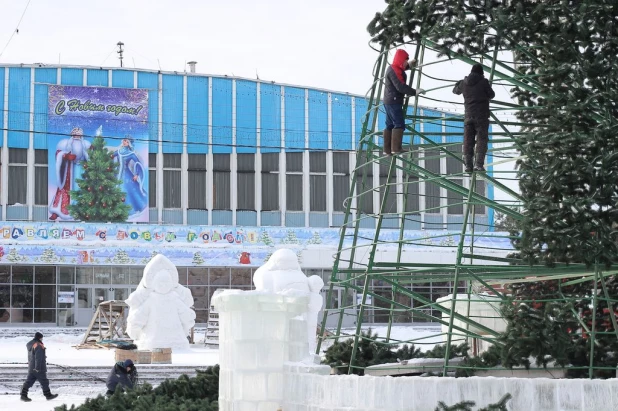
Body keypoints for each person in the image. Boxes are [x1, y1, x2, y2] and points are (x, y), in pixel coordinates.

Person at [453, 63, 496, 172]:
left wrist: (458, 83)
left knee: (468, 140)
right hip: (481, 116)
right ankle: (478, 164)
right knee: (481, 140)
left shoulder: (464, 83)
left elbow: (455, 91)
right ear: (481, 73)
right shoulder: (484, 82)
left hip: (468, 117)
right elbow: (491, 95)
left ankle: (468, 165)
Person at [382, 49, 424, 156]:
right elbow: (400, 86)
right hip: (394, 101)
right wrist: (414, 91)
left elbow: (401, 69)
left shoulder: (393, 68)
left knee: (390, 124)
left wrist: (410, 65)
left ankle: (387, 150)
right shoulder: (393, 70)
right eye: (405, 60)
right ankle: (396, 148)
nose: (406, 63)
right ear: (401, 60)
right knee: (399, 123)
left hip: (389, 100)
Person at [49, 127, 91, 220]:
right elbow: (58, 153)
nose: (77, 135)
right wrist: (66, 156)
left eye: (79, 133)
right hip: (68, 170)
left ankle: (82, 211)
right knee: (65, 189)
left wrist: (87, 163)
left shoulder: (85, 144)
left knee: (82, 189)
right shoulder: (65, 143)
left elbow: (89, 157)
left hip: (81, 170)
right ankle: (58, 211)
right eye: (75, 133)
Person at [112, 135, 148, 217]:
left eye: (127, 141)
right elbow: (111, 156)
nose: (125, 142)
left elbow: (138, 164)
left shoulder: (131, 154)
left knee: (127, 191)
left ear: (129, 144)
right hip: (116, 174)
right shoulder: (118, 151)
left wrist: (137, 174)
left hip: (126, 176)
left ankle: (129, 211)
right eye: (124, 140)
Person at [21, 332, 58, 402]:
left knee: (29, 382)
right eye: (41, 338)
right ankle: (48, 395)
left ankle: (23, 394)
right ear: (39, 338)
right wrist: (37, 368)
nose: (42, 339)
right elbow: (38, 358)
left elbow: (33, 356)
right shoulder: (38, 345)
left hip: (31, 367)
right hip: (39, 368)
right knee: (44, 381)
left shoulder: (31, 344)